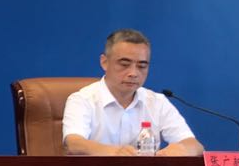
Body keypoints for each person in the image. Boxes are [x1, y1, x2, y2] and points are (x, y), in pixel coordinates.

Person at [63, 28, 203, 156]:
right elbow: (73, 143)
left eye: (141, 66)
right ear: (104, 62)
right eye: (124, 64)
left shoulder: (157, 102)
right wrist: (113, 152)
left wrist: (182, 150)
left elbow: (195, 145)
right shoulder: (82, 100)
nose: (133, 73)